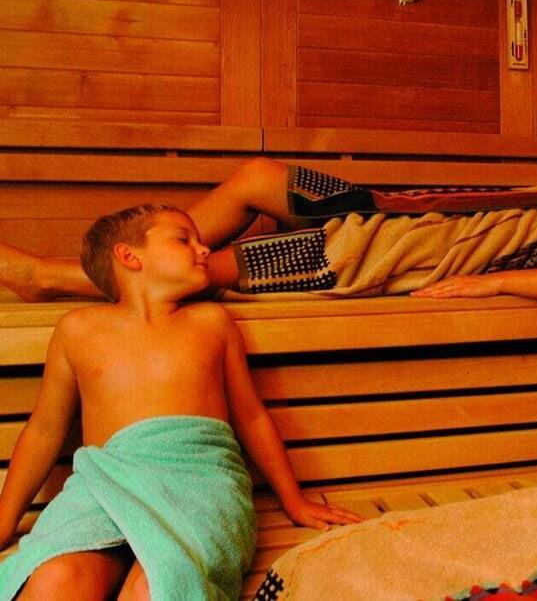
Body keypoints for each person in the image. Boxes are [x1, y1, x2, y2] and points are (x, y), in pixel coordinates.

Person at [0, 204, 362, 600]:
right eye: (182, 239)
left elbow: (251, 418)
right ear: (129, 256)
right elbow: (44, 431)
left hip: (199, 485)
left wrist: (293, 501)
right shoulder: (78, 330)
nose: (203, 249)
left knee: (159, 585)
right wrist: (4, 521)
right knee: (56, 580)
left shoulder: (211, 323)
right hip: (107, 484)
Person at [0, 160, 537, 303]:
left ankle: (49, 276)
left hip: (381, 249)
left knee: (225, 267)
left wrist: (491, 283)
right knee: (258, 178)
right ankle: (137, 249)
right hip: (388, 207)